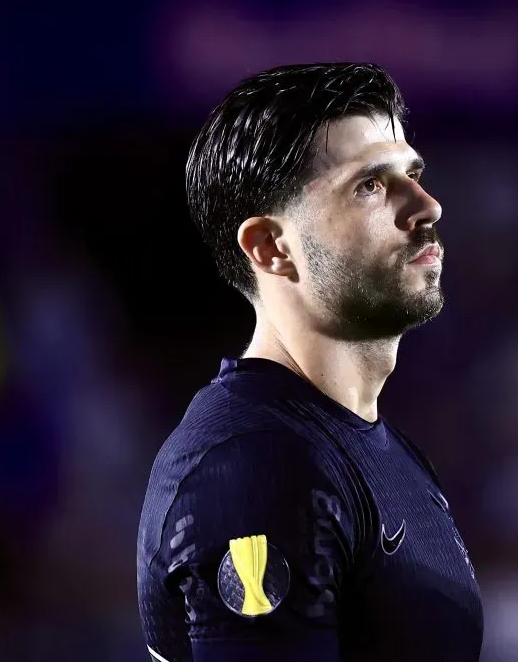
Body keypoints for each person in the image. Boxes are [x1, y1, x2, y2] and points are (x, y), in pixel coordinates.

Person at [137, 63, 482, 662]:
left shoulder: (364, 446)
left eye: (414, 174)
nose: (427, 206)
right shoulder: (257, 467)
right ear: (270, 248)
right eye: (371, 185)